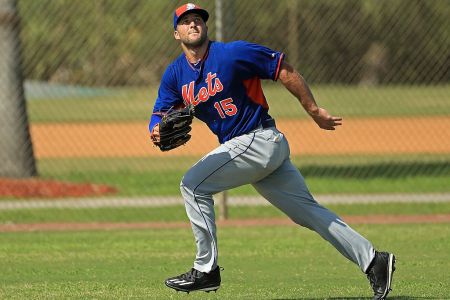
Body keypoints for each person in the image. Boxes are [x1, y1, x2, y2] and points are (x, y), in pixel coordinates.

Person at [149, 3, 396, 299]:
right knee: (309, 213)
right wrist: (155, 128)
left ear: (205, 26)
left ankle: (206, 270)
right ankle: (374, 260)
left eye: (198, 19)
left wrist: (313, 109)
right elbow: (160, 111)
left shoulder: (232, 53)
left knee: (192, 185)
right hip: (254, 150)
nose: (193, 24)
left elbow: (283, 68)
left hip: (260, 139)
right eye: (186, 21)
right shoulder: (176, 74)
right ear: (176, 33)